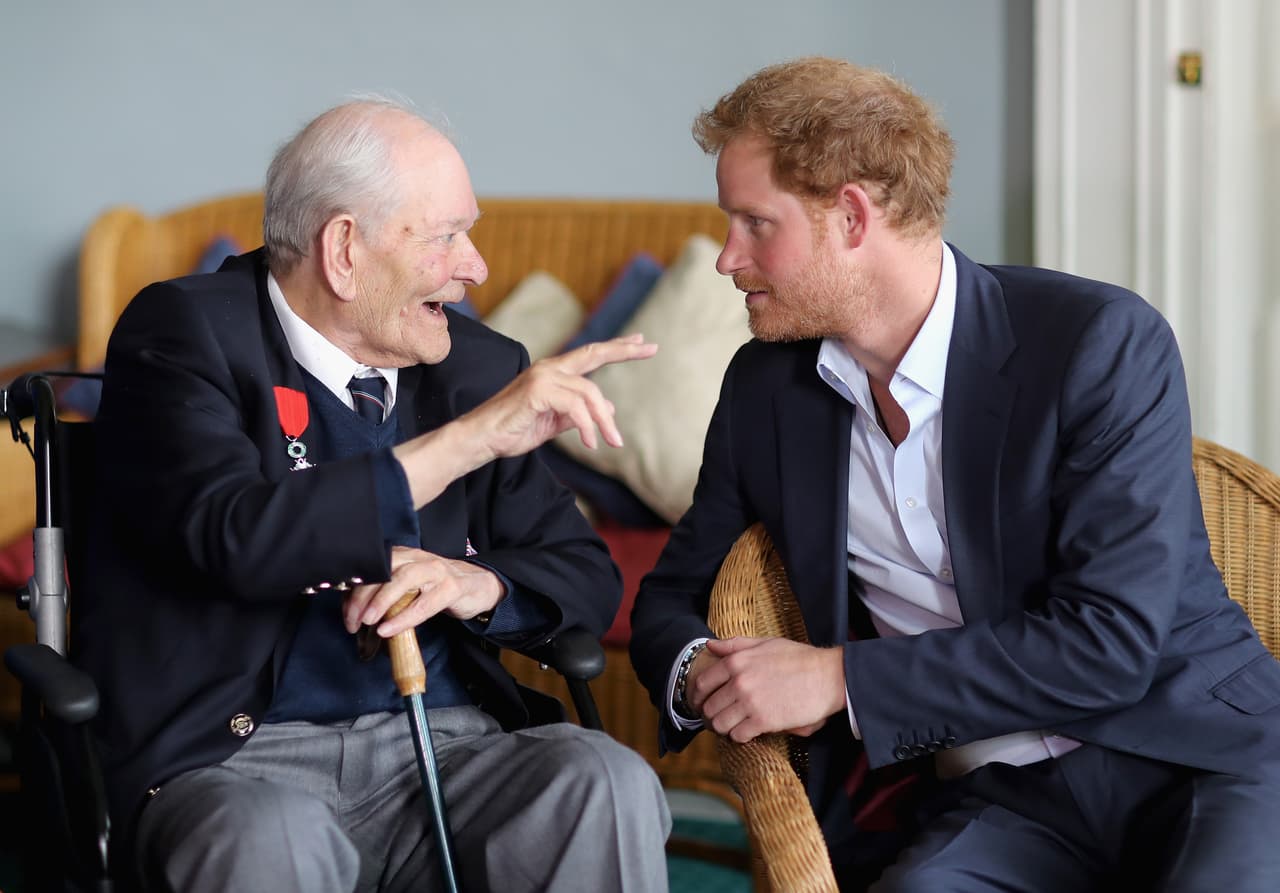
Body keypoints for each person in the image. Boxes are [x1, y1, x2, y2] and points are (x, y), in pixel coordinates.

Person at [629, 56, 1280, 892]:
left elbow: (1109, 640)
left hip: (1198, 757)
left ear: (852, 218)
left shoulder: (1097, 342)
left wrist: (834, 679)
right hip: (999, 799)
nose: (727, 259)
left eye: (755, 224)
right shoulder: (767, 389)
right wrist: (710, 675)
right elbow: (673, 595)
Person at [76, 97, 671, 893]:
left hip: (446, 740)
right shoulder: (184, 335)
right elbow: (237, 536)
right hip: (237, 759)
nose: (476, 268)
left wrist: (476, 582)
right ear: (344, 249)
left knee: (602, 779)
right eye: (445, 236)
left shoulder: (474, 366)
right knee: (271, 839)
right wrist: (471, 439)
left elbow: (583, 573)